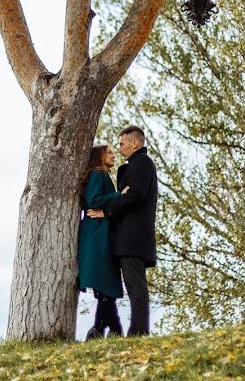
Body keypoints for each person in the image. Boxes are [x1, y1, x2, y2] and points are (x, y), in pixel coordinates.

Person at [86, 125, 158, 336]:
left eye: (122, 144)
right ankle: (111, 328)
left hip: (133, 237)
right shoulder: (132, 166)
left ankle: (139, 331)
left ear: (135, 143)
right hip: (125, 237)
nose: (119, 148)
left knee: (136, 287)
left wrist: (106, 211)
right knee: (130, 285)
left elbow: (135, 195)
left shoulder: (143, 162)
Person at [77, 144, 127, 339]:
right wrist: (119, 195)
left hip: (100, 233)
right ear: (100, 156)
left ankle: (103, 330)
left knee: (106, 287)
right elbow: (94, 200)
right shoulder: (98, 174)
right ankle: (106, 330)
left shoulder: (101, 175)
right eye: (110, 152)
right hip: (97, 235)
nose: (114, 155)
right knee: (104, 284)